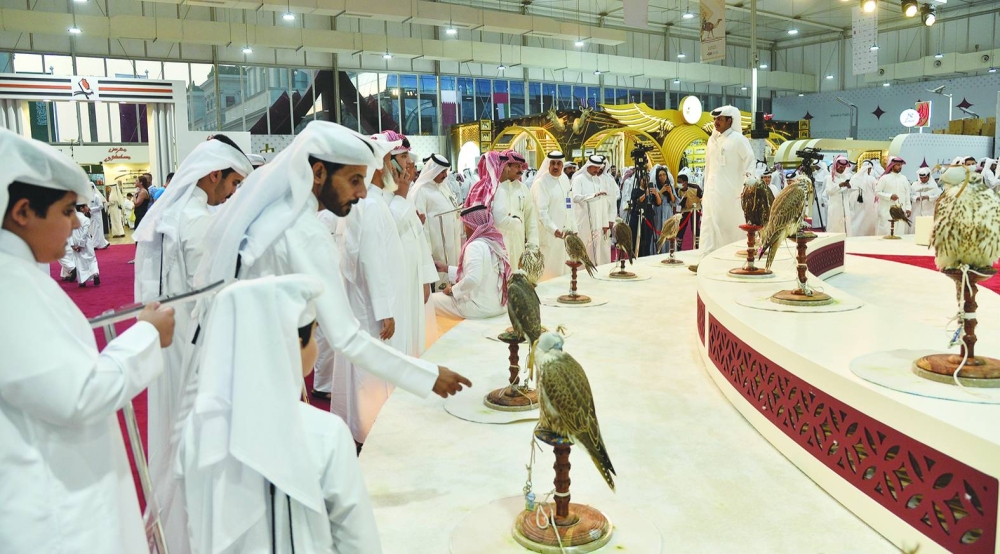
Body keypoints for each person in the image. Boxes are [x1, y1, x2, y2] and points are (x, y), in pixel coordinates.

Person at [193, 121, 471, 441]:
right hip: (254, 389)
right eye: (354, 180)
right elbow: (347, 338)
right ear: (320, 173)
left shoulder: (277, 218)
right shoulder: (301, 231)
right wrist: (428, 375)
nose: (363, 192)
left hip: (229, 384)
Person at [0, 128, 175, 554]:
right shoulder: (8, 284)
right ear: (22, 211)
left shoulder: (18, 274)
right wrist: (147, 336)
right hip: (52, 509)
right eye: (66, 211)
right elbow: (79, 394)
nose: (79, 222)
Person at [179, 275, 382, 554]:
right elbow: (358, 541)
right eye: (314, 335)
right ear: (293, 343)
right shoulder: (325, 433)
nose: (317, 348)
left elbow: (194, 527)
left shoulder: (199, 428)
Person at [133, 134, 254, 554]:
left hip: (162, 348)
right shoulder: (200, 221)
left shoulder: (163, 219)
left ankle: (170, 535)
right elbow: (216, 299)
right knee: (195, 445)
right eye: (233, 184)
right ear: (214, 175)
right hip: (195, 351)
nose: (233, 194)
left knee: (169, 436)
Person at [332, 130, 416, 447]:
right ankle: (369, 434)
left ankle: (366, 428)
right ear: (381, 166)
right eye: (398, 160)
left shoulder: (373, 202)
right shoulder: (369, 204)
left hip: (370, 303)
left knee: (368, 370)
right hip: (370, 307)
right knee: (370, 373)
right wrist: (384, 311)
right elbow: (368, 260)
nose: (405, 167)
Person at [690, 105, 754, 271]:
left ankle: (727, 263)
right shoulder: (712, 141)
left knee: (727, 228)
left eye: (720, 119)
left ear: (729, 121)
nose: (716, 122)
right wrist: (704, 192)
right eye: (715, 119)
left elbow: (751, 162)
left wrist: (749, 186)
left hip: (730, 196)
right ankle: (704, 262)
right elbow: (708, 168)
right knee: (708, 226)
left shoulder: (739, 140)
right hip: (712, 194)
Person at [389, 155, 438, 355]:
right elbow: (388, 232)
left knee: (414, 334)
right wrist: (400, 196)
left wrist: (425, 279)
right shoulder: (381, 197)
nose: (410, 163)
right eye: (403, 157)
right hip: (396, 281)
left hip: (413, 276)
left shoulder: (405, 195)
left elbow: (419, 237)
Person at [432, 204, 510, 320]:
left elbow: (473, 278)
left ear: (472, 225)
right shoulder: (494, 242)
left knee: (428, 301)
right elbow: (481, 273)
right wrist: (446, 269)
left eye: (465, 225)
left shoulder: (475, 246)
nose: (464, 229)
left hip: (479, 307)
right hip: (499, 305)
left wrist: (453, 290)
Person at [411, 153, 461, 283]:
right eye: (442, 171)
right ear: (433, 170)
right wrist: (427, 254)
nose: (445, 175)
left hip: (452, 244)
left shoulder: (444, 188)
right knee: (440, 283)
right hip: (436, 247)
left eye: (446, 171)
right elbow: (420, 225)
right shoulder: (421, 190)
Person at [530, 150, 577, 280]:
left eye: (558, 163)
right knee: (549, 270)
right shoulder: (541, 183)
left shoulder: (565, 180)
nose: (555, 166)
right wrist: (554, 229)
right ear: (548, 165)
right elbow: (542, 211)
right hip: (550, 235)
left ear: (562, 165)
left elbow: (569, 205)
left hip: (565, 233)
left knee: (565, 268)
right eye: (553, 163)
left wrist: (574, 228)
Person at [489, 150, 539, 270]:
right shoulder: (495, 188)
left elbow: (530, 218)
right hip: (498, 244)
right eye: (517, 166)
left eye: (521, 166)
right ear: (507, 167)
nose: (520, 169)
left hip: (518, 243)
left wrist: (533, 242)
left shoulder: (523, 189)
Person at [571, 155, 611, 265]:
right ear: (588, 166)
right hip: (583, 222)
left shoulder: (599, 180)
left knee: (596, 251)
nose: (597, 170)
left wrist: (605, 223)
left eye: (599, 168)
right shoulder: (579, 179)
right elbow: (575, 197)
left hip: (597, 223)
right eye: (595, 167)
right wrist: (592, 196)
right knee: (584, 249)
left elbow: (603, 202)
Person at [624, 158, 662, 257]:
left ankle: (646, 256)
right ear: (640, 180)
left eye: (647, 180)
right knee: (636, 239)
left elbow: (658, 203)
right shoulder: (635, 190)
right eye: (644, 180)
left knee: (647, 240)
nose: (646, 181)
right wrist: (645, 194)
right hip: (636, 218)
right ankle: (635, 255)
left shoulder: (651, 190)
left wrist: (656, 194)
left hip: (648, 218)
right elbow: (636, 201)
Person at [874, 156, 912, 236]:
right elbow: (877, 192)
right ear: (892, 165)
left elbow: (907, 195)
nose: (900, 167)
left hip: (901, 211)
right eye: (898, 165)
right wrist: (890, 196)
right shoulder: (884, 178)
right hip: (887, 211)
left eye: (901, 165)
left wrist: (908, 208)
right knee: (886, 233)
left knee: (899, 233)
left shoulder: (904, 178)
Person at [70, 204, 101, 286]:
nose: (88, 208)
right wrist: (81, 244)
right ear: (81, 208)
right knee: (91, 259)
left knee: (79, 261)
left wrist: (72, 245)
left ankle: (82, 281)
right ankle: (95, 274)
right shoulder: (85, 219)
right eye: (86, 206)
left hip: (75, 241)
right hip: (85, 242)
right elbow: (84, 233)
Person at [824, 156, 855, 235]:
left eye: (844, 167)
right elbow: (829, 192)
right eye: (841, 167)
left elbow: (849, 193)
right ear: (836, 166)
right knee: (834, 227)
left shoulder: (846, 177)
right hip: (835, 207)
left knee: (846, 227)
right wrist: (839, 186)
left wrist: (849, 187)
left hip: (845, 207)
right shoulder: (829, 178)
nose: (842, 169)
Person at [650, 165, 677, 254]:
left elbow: (673, 201)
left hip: (668, 211)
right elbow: (656, 202)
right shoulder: (655, 186)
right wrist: (661, 190)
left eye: (664, 175)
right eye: (660, 175)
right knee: (659, 231)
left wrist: (670, 192)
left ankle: (669, 251)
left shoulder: (670, 186)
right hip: (658, 211)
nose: (662, 177)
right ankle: (658, 251)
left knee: (668, 232)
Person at [849, 160, 878, 236]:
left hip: (855, 202)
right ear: (868, 169)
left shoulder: (854, 177)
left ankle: (854, 234)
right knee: (867, 220)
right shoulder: (871, 179)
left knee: (856, 218)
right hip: (868, 202)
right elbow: (877, 191)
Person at [88, 181, 110, 249]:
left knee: (97, 230)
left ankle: (96, 244)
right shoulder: (88, 197)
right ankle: (101, 244)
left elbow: (100, 206)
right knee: (93, 230)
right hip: (92, 216)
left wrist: (91, 209)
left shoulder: (96, 196)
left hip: (97, 216)